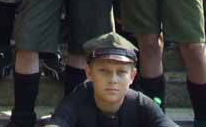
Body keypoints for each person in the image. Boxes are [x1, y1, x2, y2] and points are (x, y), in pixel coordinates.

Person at [45, 32, 178, 127]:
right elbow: (58, 122)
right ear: (89, 73)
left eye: (121, 72)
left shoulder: (140, 103)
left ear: (132, 76)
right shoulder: (78, 100)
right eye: (104, 71)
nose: (113, 79)